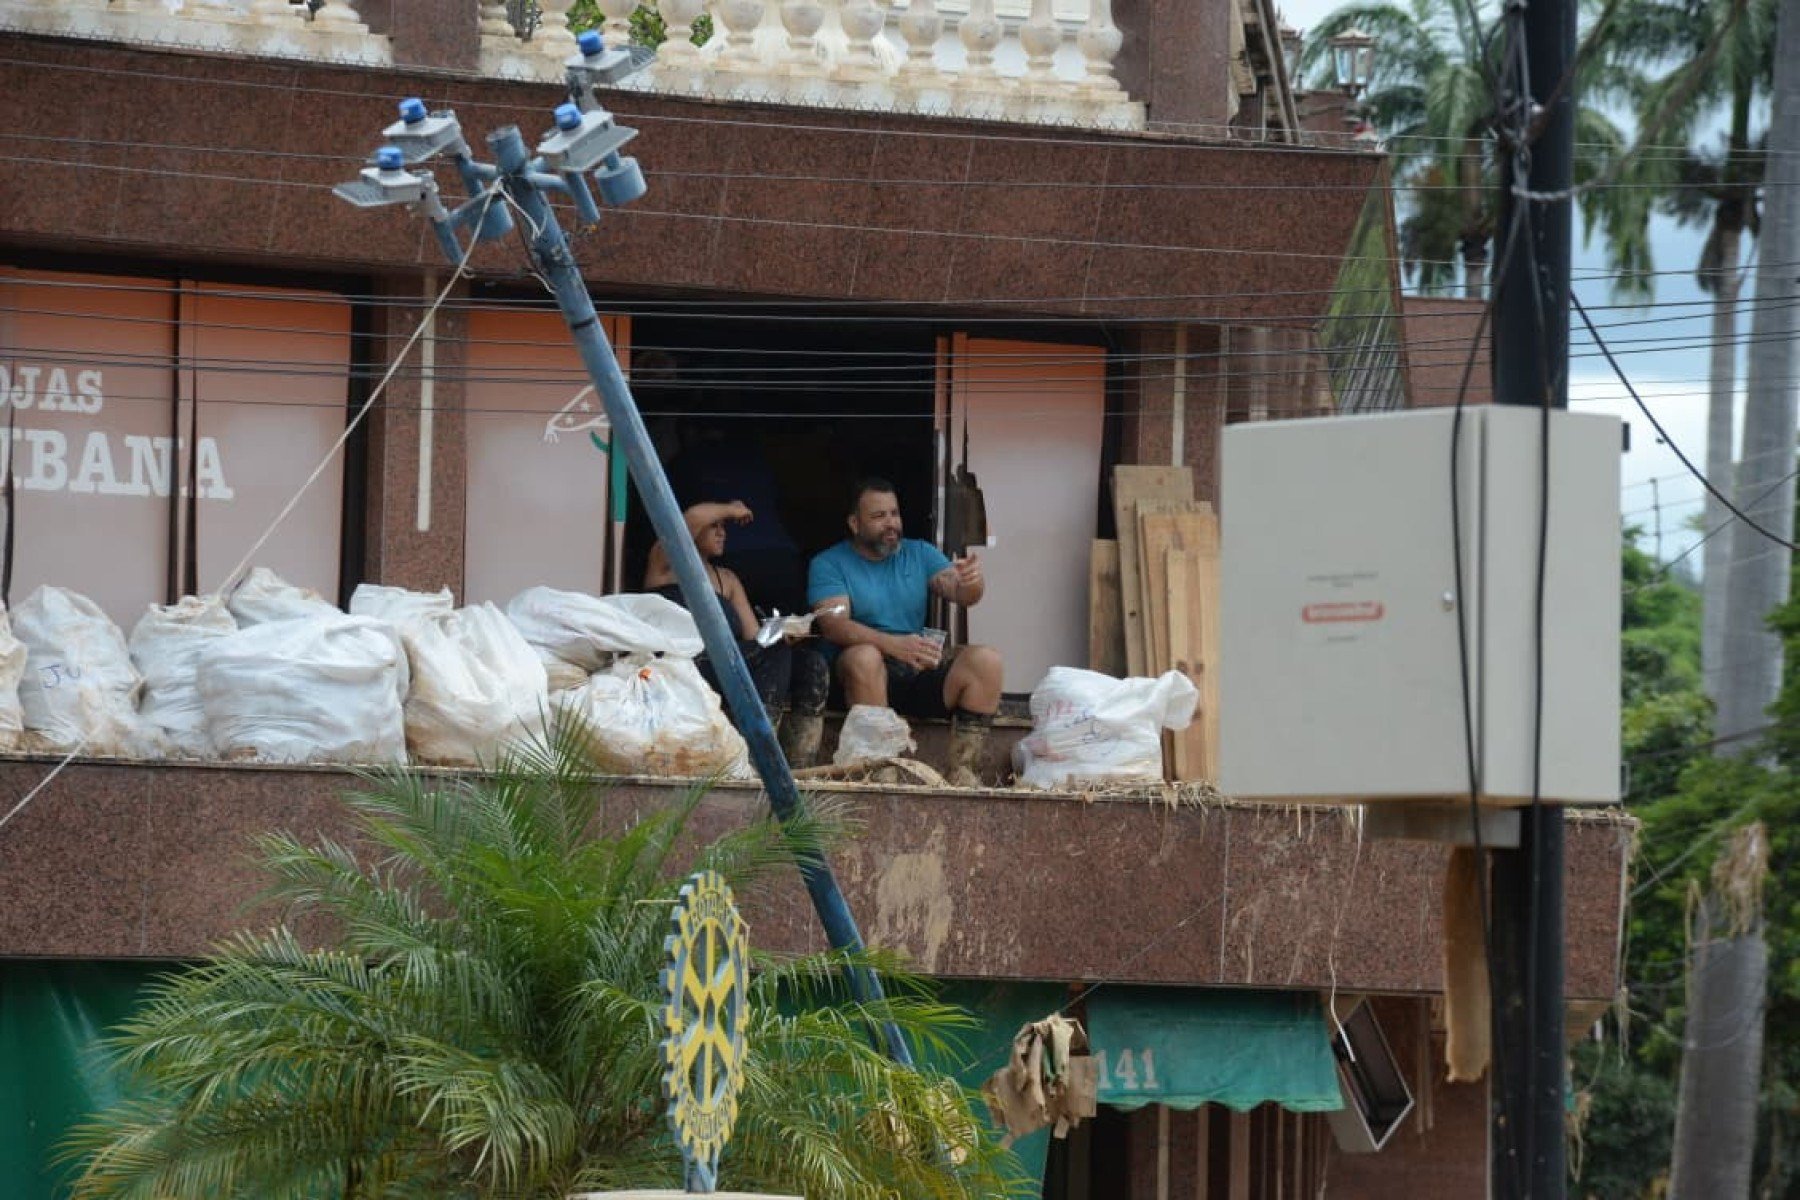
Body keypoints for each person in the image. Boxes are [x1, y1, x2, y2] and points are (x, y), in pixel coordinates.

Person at [807, 477, 1003, 787]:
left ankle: (964, 770)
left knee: (986, 660)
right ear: (854, 523)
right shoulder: (829, 563)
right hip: (859, 680)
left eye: (894, 514)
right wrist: (893, 645)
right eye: (878, 516)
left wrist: (970, 580)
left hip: (913, 670)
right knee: (865, 657)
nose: (890, 524)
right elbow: (833, 625)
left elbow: (962, 592)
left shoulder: (919, 553)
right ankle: (880, 768)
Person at [644, 501, 829, 768]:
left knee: (812, 664)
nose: (723, 533)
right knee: (772, 654)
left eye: (724, 527)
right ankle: (756, 760)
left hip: (724, 668)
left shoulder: (727, 579)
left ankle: (798, 764)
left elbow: (755, 639)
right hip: (683, 666)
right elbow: (691, 517)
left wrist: (785, 631)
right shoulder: (667, 564)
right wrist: (731, 509)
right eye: (714, 526)